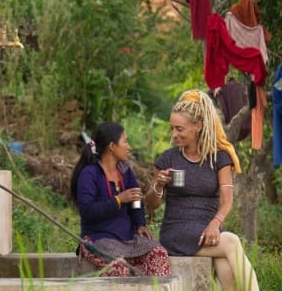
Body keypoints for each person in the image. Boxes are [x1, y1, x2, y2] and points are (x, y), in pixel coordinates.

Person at [147, 89, 259, 290]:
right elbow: (150, 206)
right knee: (232, 243)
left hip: (209, 229)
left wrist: (215, 224)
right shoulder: (168, 158)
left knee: (226, 268)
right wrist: (158, 184)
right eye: (172, 128)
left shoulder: (219, 158)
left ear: (197, 126)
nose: (174, 135)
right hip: (177, 231)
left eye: (179, 129)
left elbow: (226, 201)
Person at [71, 122, 171, 276]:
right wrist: (118, 200)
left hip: (128, 237)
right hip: (98, 238)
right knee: (119, 268)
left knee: (158, 254)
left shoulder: (125, 170)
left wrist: (140, 224)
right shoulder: (89, 174)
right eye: (125, 141)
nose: (128, 146)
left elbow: (135, 199)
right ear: (112, 146)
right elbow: (87, 211)